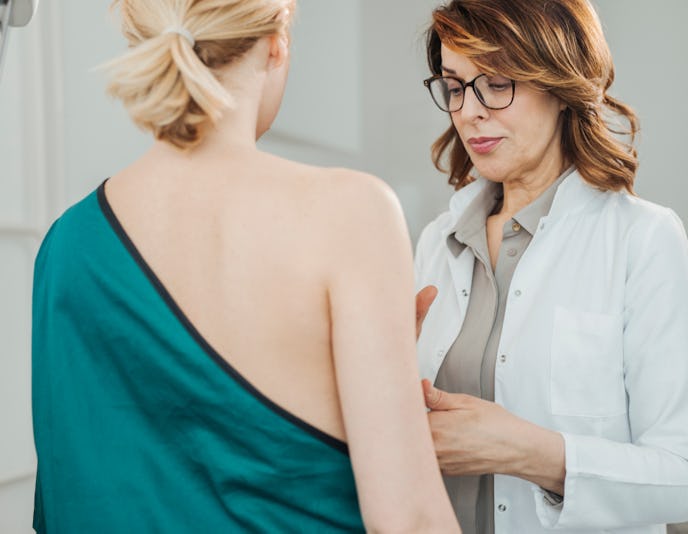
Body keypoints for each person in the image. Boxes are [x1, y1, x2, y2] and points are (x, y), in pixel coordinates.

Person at [31, 1, 458, 532]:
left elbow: (71, 490)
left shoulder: (66, 243)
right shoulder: (349, 213)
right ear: (277, 40)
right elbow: (410, 519)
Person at [413, 0, 688, 532]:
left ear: (558, 84)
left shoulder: (641, 239)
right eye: (455, 86)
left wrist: (524, 451)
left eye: (496, 82)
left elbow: (686, 477)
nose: (469, 111)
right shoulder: (437, 242)